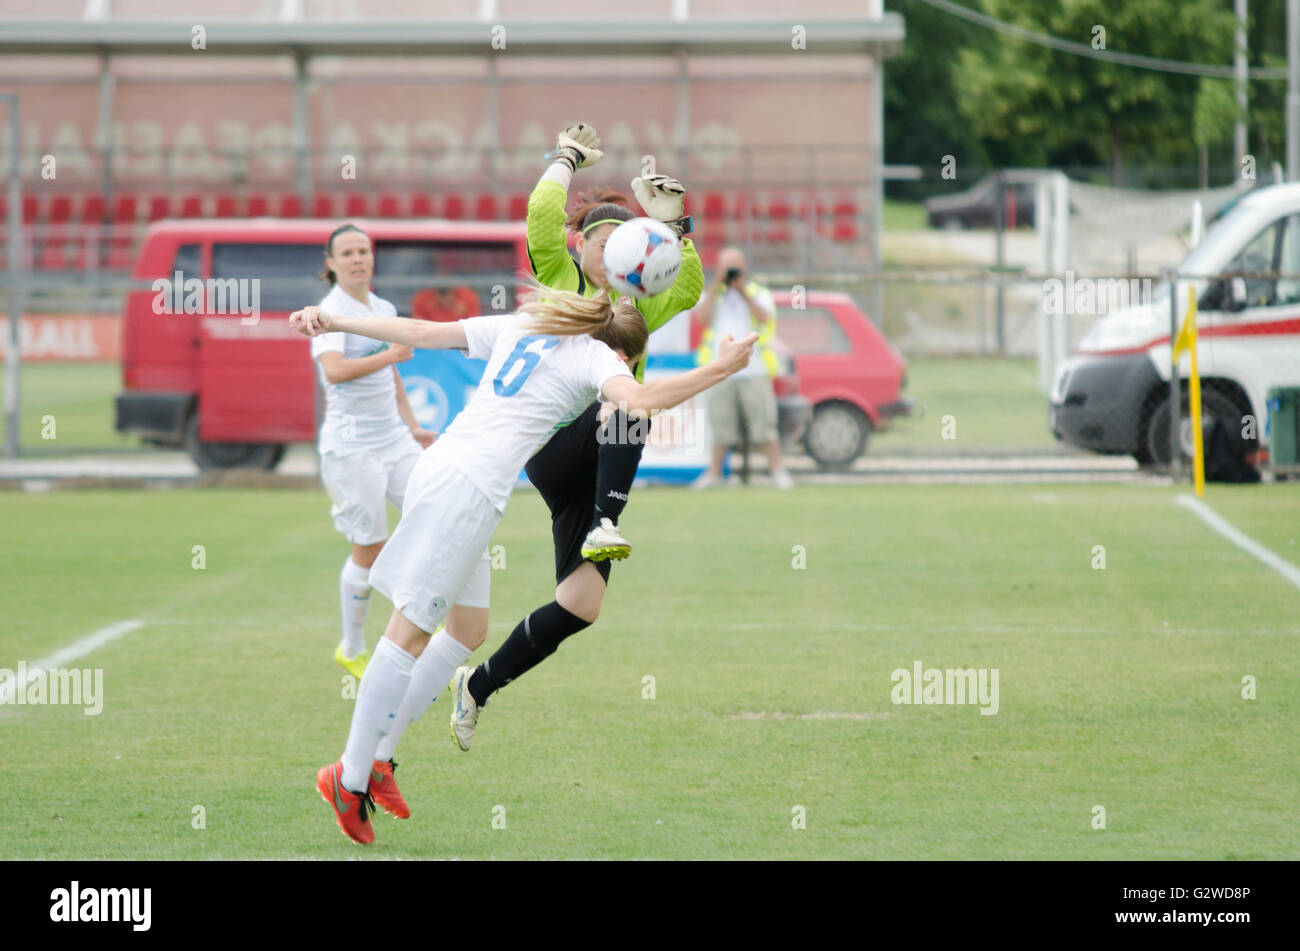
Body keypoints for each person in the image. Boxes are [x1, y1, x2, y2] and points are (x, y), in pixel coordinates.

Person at [292, 285, 756, 844]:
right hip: (466, 488)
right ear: (626, 353)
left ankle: (380, 761)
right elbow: (641, 402)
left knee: (467, 629)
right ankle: (349, 775)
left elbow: (418, 333)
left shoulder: (525, 324)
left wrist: (333, 318)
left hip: (443, 467)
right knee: (408, 632)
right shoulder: (595, 358)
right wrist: (722, 367)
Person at [441, 122, 706, 752]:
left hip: (597, 471)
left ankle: (476, 687)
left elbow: (689, 284)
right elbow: (539, 215)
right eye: (603, 239)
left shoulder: (644, 299)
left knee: (580, 605)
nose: (616, 250)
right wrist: (565, 159)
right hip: (555, 451)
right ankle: (606, 524)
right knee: (629, 407)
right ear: (579, 247)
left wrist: (678, 225)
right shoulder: (561, 279)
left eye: (629, 239)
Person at [310, 223, 491, 820]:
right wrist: (390, 352)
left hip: (392, 441)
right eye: (349, 253)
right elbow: (335, 372)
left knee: (435, 516)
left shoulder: (381, 307)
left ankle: (375, 757)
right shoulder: (330, 311)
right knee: (370, 548)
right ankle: (353, 644)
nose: (359, 260)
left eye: (365, 251)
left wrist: (412, 422)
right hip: (351, 447)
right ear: (331, 263)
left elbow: (392, 378)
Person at [690, 247, 793, 490]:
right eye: (726, 267)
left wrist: (742, 290)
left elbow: (766, 317)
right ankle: (715, 474)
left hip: (753, 369)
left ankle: (777, 472)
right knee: (721, 425)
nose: (731, 271)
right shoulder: (713, 294)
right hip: (720, 368)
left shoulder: (757, 293)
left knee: (764, 424)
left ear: (744, 267)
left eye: (734, 266)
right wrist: (717, 284)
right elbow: (702, 318)